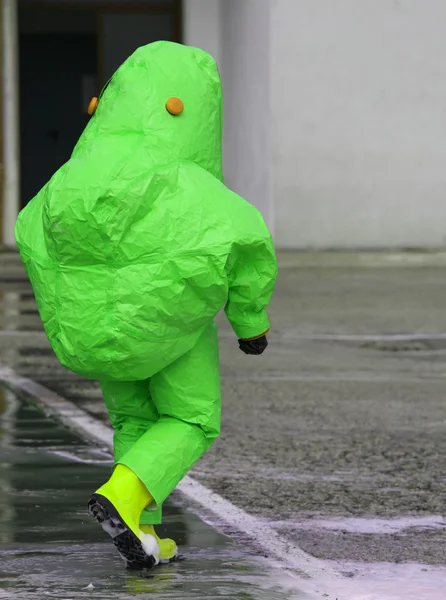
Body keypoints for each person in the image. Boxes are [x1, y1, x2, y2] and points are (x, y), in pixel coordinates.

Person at [15, 41, 277, 569]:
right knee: (191, 419)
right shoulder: (187, 179)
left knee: (135, 420)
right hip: (169, 329)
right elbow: (249, 244)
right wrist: (250, 324)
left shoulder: (69, 177)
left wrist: (67, 304)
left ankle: (144, 532)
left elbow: (29, 231)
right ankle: (126, 497)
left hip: (100, 333)